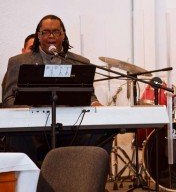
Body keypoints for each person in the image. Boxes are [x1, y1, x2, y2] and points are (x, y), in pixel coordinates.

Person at [2, 14, 115, 165]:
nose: (51, 36)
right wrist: (31, 113)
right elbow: (8, 99)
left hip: (72, 128)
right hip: (34, 130)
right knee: (16, 136)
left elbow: (89, 96)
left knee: (104, 131)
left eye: (56, 32)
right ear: (39, 36)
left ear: (63, 35)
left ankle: (88, 181)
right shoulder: (19, 62)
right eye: (46, 32)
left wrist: (98, 108)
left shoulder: (80, 62)